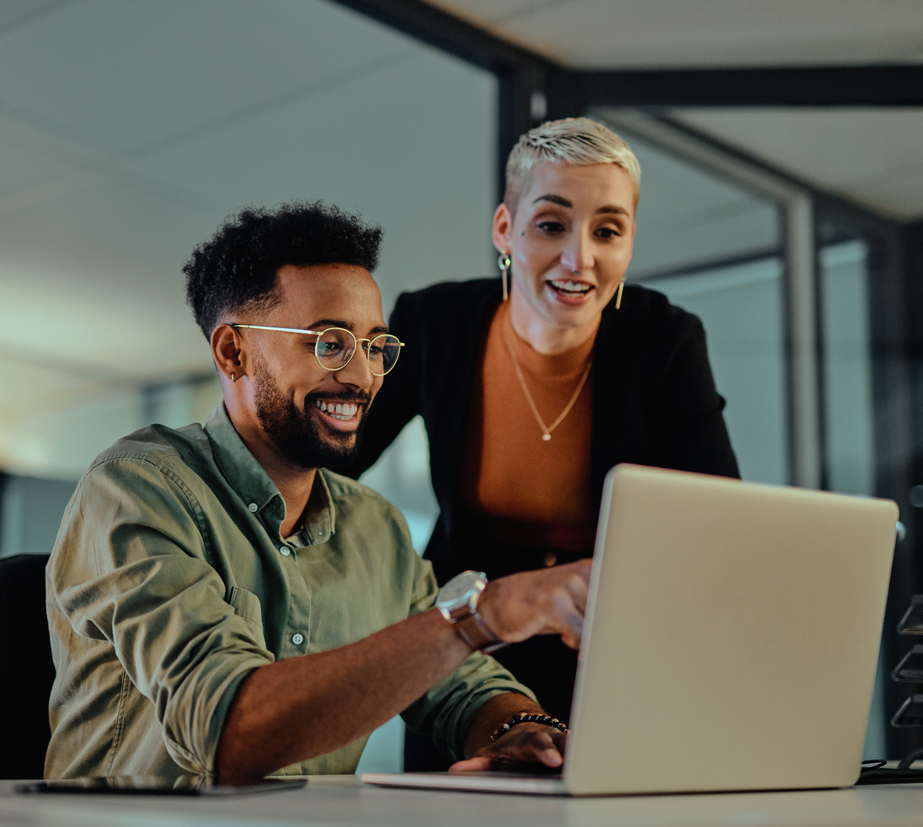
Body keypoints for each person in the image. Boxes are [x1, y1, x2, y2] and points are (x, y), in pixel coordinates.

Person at [44, 202, 593, 782]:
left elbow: (461, 686)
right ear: (233, 352)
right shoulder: (136, 487)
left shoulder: (376, 527)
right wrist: (483, 614)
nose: (363, 377)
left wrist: (521, 731)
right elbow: (224, 730)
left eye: (375, 347)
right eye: (329, 343)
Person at [339, 118, 740, 768]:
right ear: (504, 229)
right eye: (551, 225)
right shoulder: (435, 323)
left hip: (607, 638)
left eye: (607, 231)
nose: (579, 259)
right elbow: (332, 464)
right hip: (469, 641)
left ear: (629, 241)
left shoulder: (664, 338)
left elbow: (716, 518)